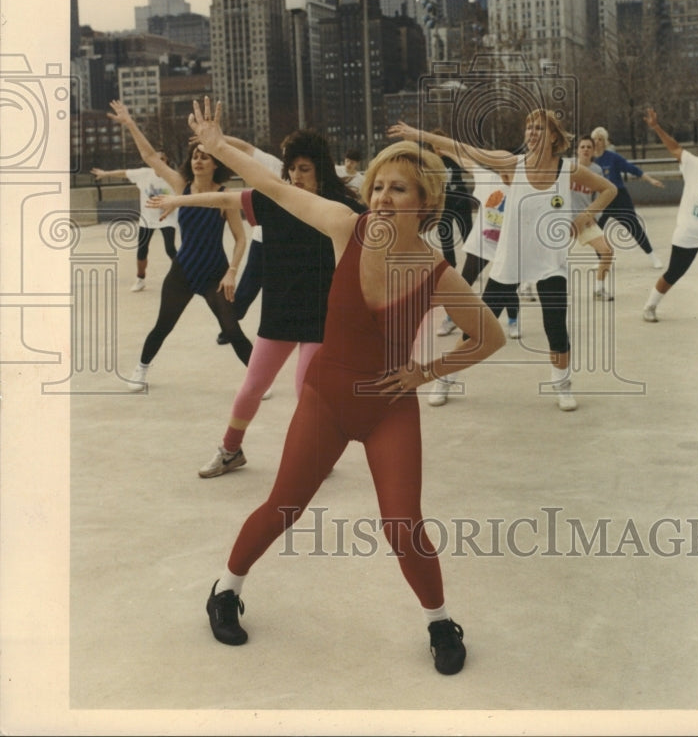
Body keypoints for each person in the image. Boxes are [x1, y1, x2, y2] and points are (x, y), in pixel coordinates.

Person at [190, 98, 505, 675]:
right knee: (283, 505)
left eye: (399, 189)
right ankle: (226, 589)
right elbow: (277, 189)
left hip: (388, 408)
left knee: (403, 526)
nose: (383, 197)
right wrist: (217, 146)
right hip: (327, 399)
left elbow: (488, 339)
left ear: (426, 202)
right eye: (378, 185)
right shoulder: (345, 227)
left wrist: (425, 371)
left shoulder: (438, 273)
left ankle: (440, 622)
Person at [150, 128, 364, 477]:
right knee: (251, 386)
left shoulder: (342, 209)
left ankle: (318, 452)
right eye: (292, 168)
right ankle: (230, 451)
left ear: (321, 170)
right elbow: (225, 200)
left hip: (321, 317)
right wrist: (178, 201)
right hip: (279, 311)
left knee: (305, 390)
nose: (296, 176)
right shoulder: (274, 200)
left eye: (305, 169)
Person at [389, 111, 617, 412]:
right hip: (509, 259)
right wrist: (420, 135)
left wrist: (585, 217)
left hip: (550, 261)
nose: (532, 132)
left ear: (553, 135)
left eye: (539, 127)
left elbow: (609, 190)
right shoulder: (512, 163)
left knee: (556, 327)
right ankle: (445, 379)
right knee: (476, 331)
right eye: (528, 127)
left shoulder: (568, 170)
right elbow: (463, 148)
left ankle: (562, 385)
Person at [105, 100, 253, 392]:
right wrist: (131, 124)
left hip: (215, 273)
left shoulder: (225, 196)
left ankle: (258, 380)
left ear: (216, 164)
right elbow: (150, 157)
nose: (198, 161)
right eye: (195, 156)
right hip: (183, 270)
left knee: (232, 328)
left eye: (205, 157)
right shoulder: (179, 185)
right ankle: (141, 369)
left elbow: (240, 239)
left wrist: (232, 271)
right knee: (163, 325)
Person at [434, 156, 520, 348]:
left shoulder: (523, 188)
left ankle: (513, 320)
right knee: (463, 283)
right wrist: (444, 148)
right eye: (503, 167)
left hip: (506, 247)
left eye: (512, 169)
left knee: (508, 285)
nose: (507, 173)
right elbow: (465, 160)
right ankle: (451, 318)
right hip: (481, 244)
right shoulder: (488, 179)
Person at [208, 137, 283, 345]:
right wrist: (219, 138)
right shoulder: (275, 166)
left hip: (291, 241)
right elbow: (247, 148)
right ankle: (231, 323)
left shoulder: (309, 173)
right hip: (263, 238)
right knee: (250, 282)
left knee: (283, 287)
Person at [641, 108, 698, 322]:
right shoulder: (697, 166)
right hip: (690, 233)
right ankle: (650, 306)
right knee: (674, 272)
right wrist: (656, 127)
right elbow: (674, 148)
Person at [90, 155, 178, 291]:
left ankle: (183, 276)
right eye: (156, 159)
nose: (159, 161)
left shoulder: (173, 177)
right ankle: (140, 278)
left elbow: (186, 194)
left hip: (166, 218)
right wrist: (106, 173)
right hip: (147, 219)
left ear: (167, 162)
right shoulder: (144, 174)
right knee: (142, 250)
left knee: (170, 248)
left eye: (163, 159)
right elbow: (124, 173)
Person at [590, 126, 665, 268]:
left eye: (601, 139)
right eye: (595, 139)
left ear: (605, 141)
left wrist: (650, 180)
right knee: (596, 229)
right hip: (602, 199)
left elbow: (632, 169)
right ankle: (600, 259)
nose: (598, 142)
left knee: (634, 226)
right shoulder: (591, 161)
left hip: (619, 197)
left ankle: (653, 257)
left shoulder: (613, 158)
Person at [571, 136, 615, 301]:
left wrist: (594, 215)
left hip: (584, 219)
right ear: (577, 150)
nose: (585, 150)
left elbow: (601, 196)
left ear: (593, 150)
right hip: (564, 219)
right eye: (582, 147)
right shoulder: (568, 166)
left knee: (607, 251)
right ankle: (527, 284)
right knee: (542, 253)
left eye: (589, 147)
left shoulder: (596, 170)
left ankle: (598, 289)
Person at [428, 129, 477, 270]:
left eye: (440, 144)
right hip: (443, 203)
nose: (438, 148)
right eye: (435, 145)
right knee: (446, 236)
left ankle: (472, 264)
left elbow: (469, 167)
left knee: (468, 234)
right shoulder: (430, 162)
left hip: (461, 200)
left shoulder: (454, 157)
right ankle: (451, 266)